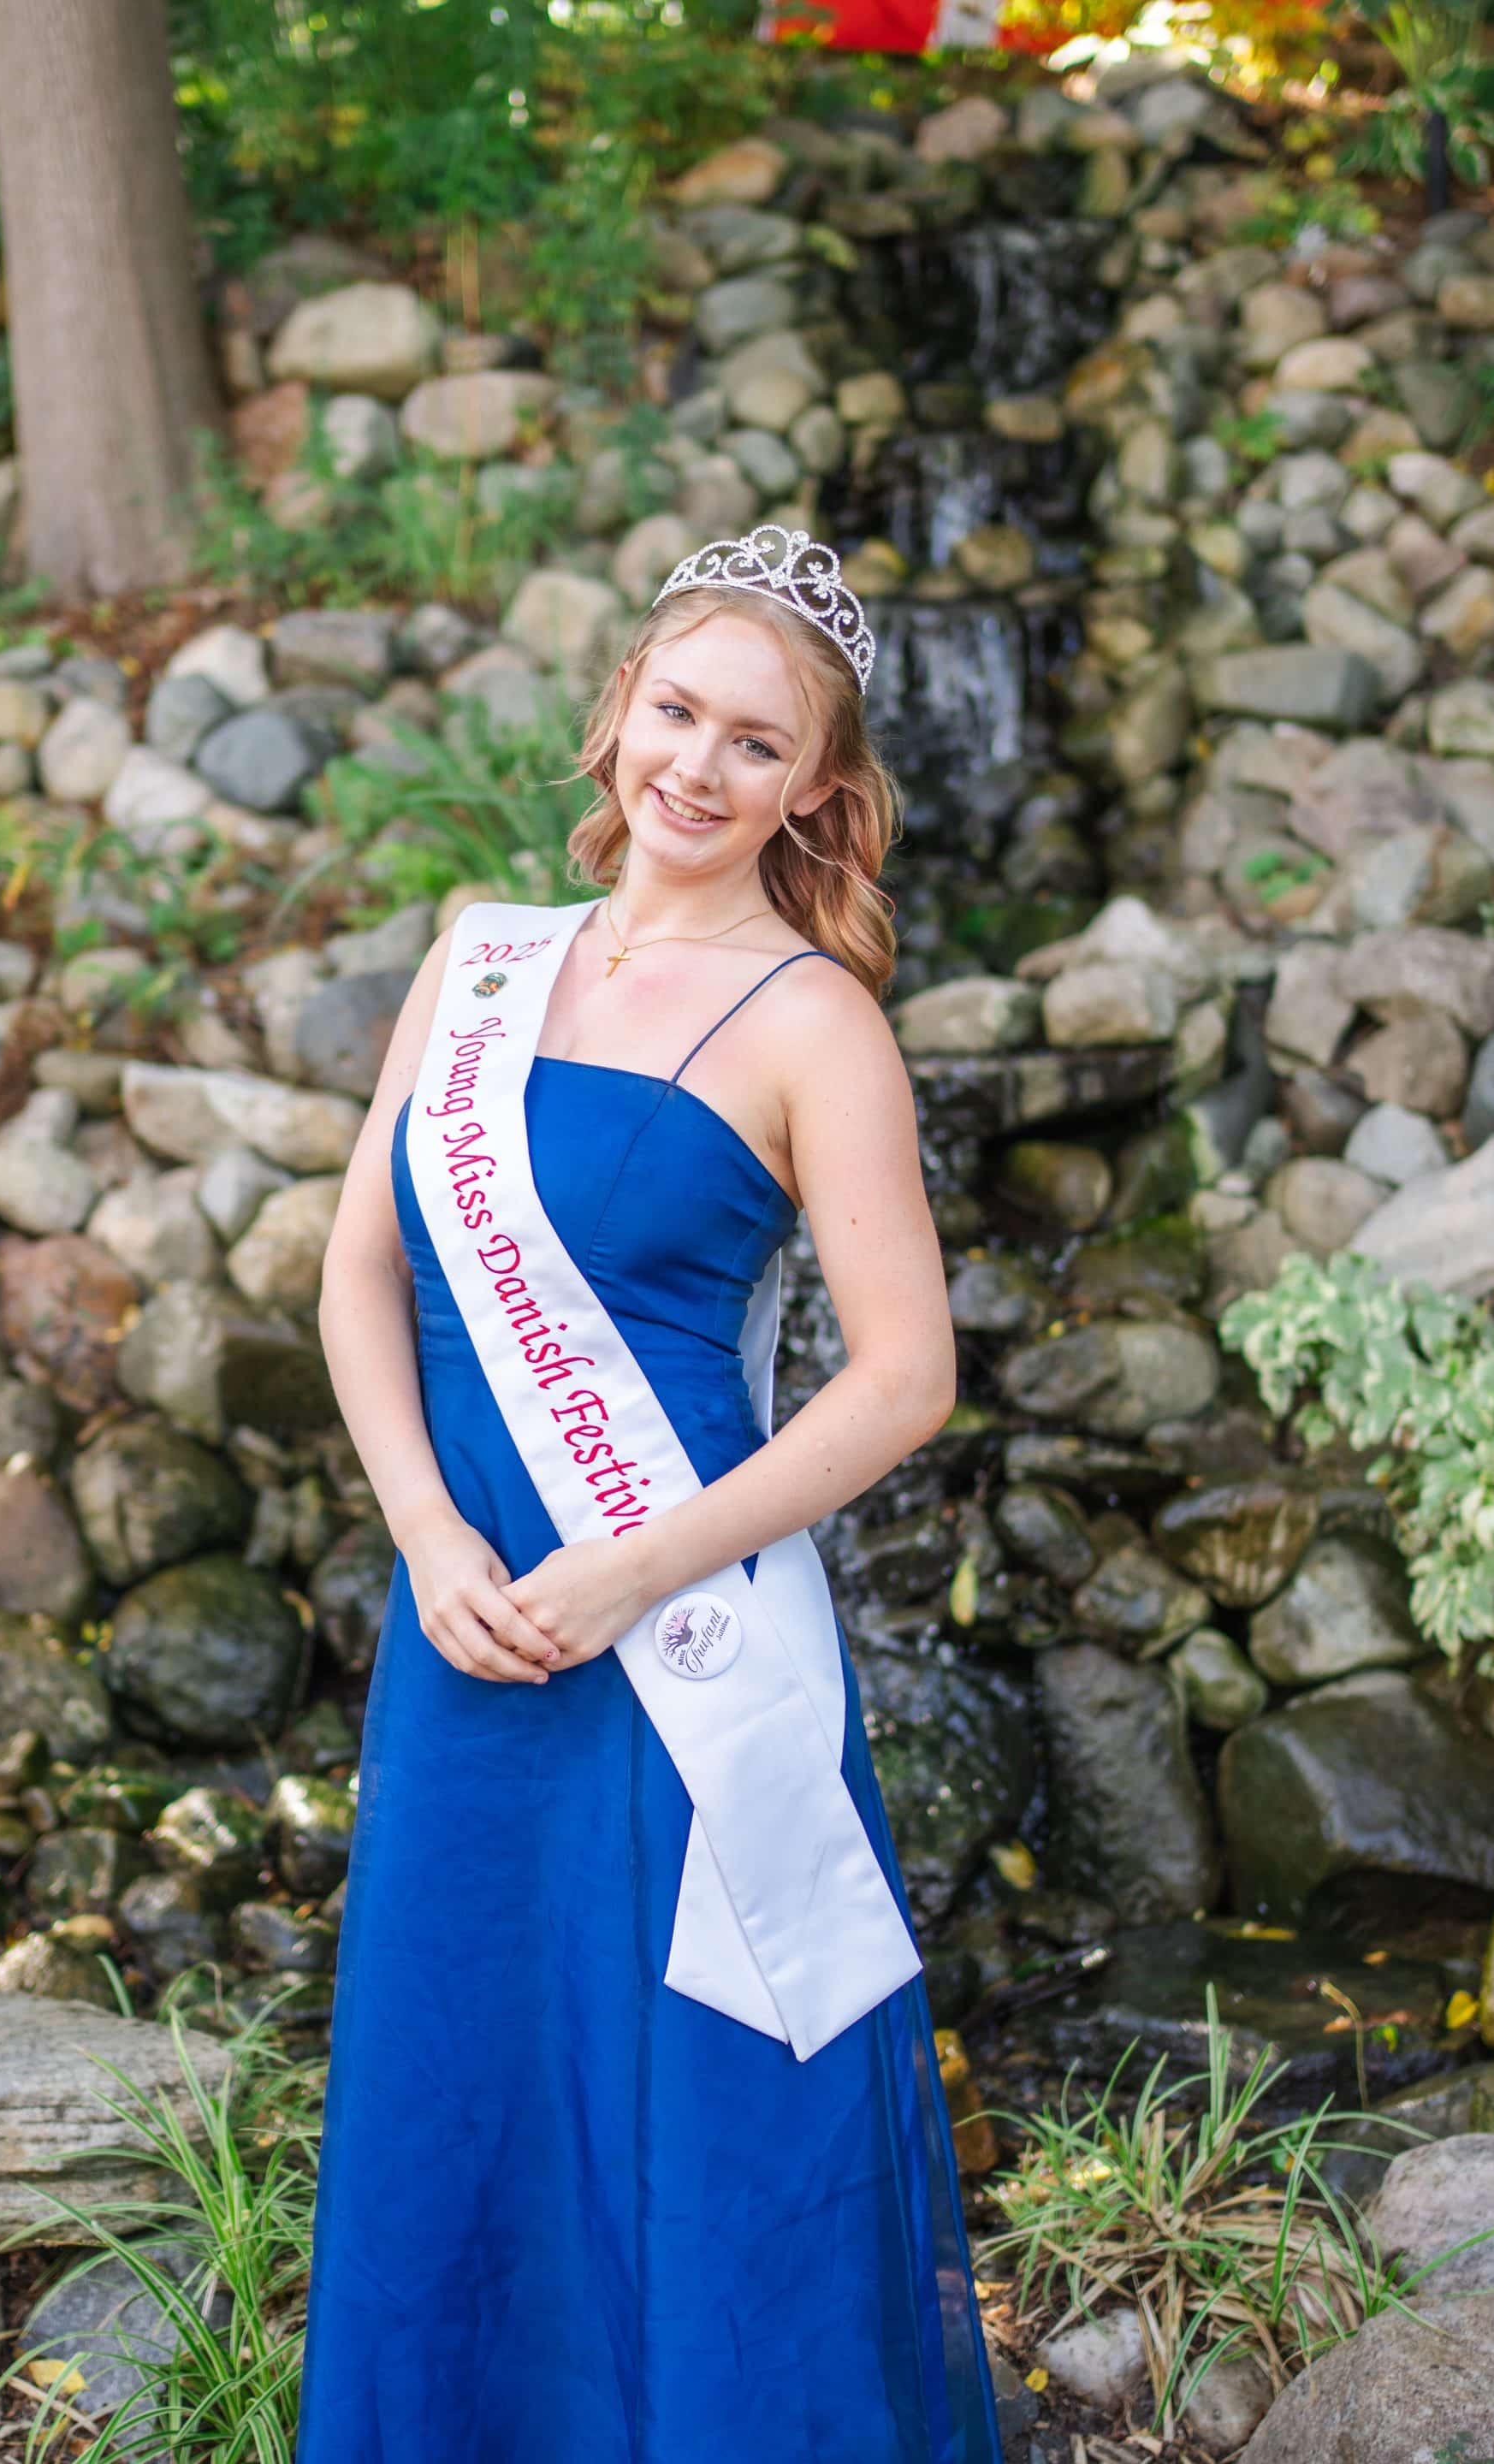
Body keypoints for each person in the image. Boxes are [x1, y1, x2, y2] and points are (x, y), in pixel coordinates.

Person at [298, 527, 1002, 2464]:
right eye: (678, 711)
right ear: (619, 711)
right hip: (467, 1622)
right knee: (466, 2067)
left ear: (815, 788)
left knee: (700, 2097)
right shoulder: (482, 955)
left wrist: (631, 1569)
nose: (700, 765)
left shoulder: (814, 1022)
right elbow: (359, 1271)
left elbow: (906, 1378)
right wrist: (429, 1534)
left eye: (756, 743)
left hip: (679, 1637)